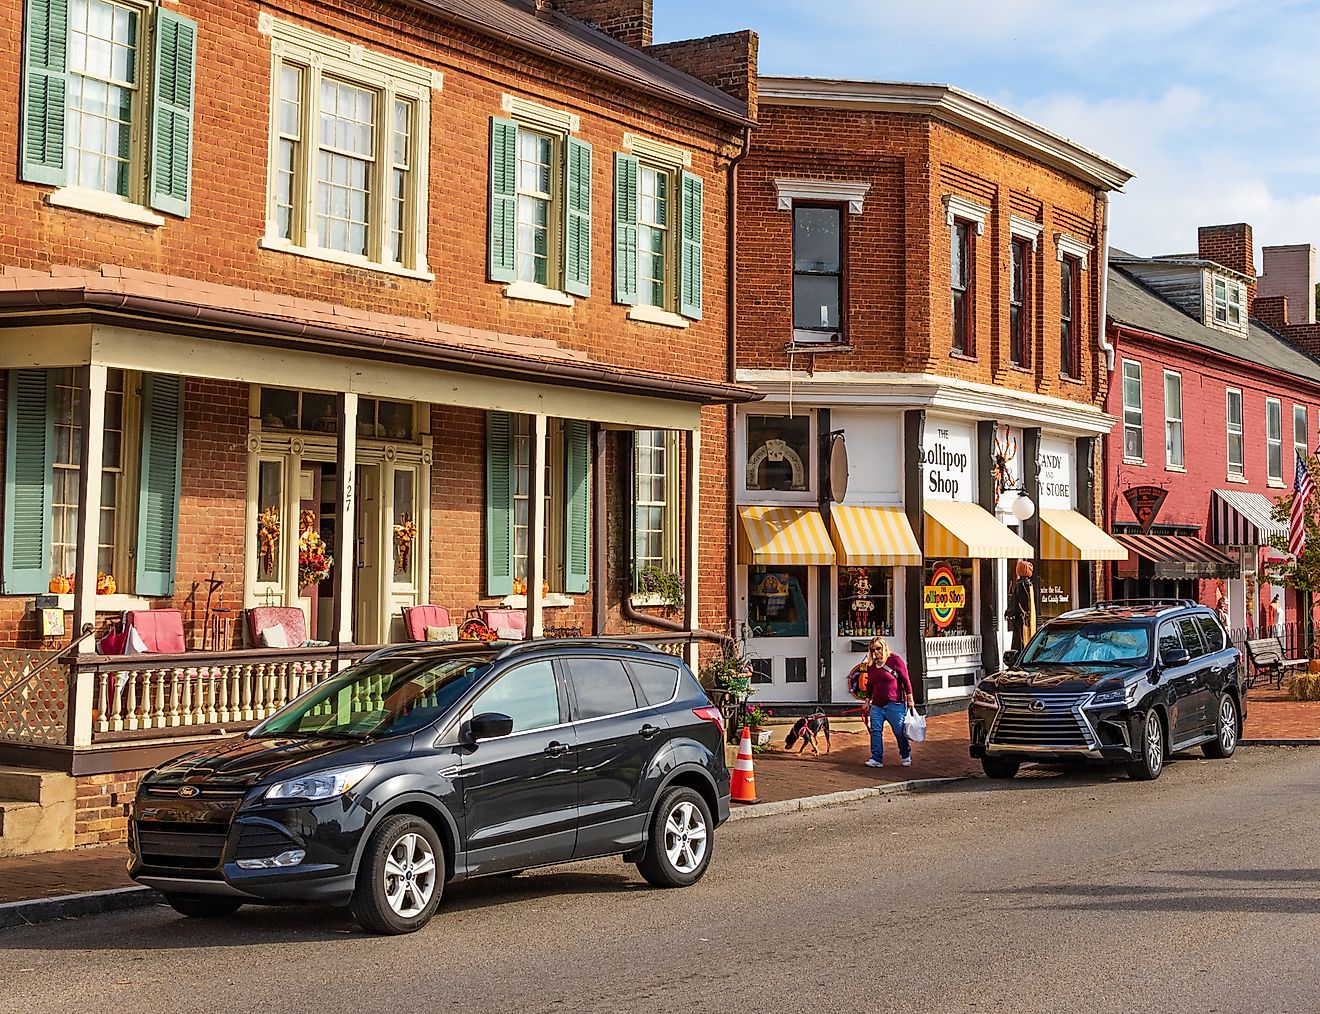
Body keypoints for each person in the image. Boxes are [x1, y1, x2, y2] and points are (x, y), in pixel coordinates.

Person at [862, 637, 914, 768]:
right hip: (877, 704)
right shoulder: (872, 666)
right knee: (875, 730)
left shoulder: (895, 660)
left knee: (899, 731)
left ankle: (905, 754)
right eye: (873, 650)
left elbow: (906, 680)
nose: (876, 652)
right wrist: (867, 701)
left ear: (884, 647)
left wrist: (910, 698)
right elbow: (870, 685)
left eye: (878, 648)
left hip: (894, 703)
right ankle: (876, 758)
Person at [1006, 560, 1037, 653]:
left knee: (1020, 642)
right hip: (1028, 619)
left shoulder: (1020, 584)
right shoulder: (1030, 584)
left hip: (1021, 620)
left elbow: (1016, 601)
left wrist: (1009, 611)